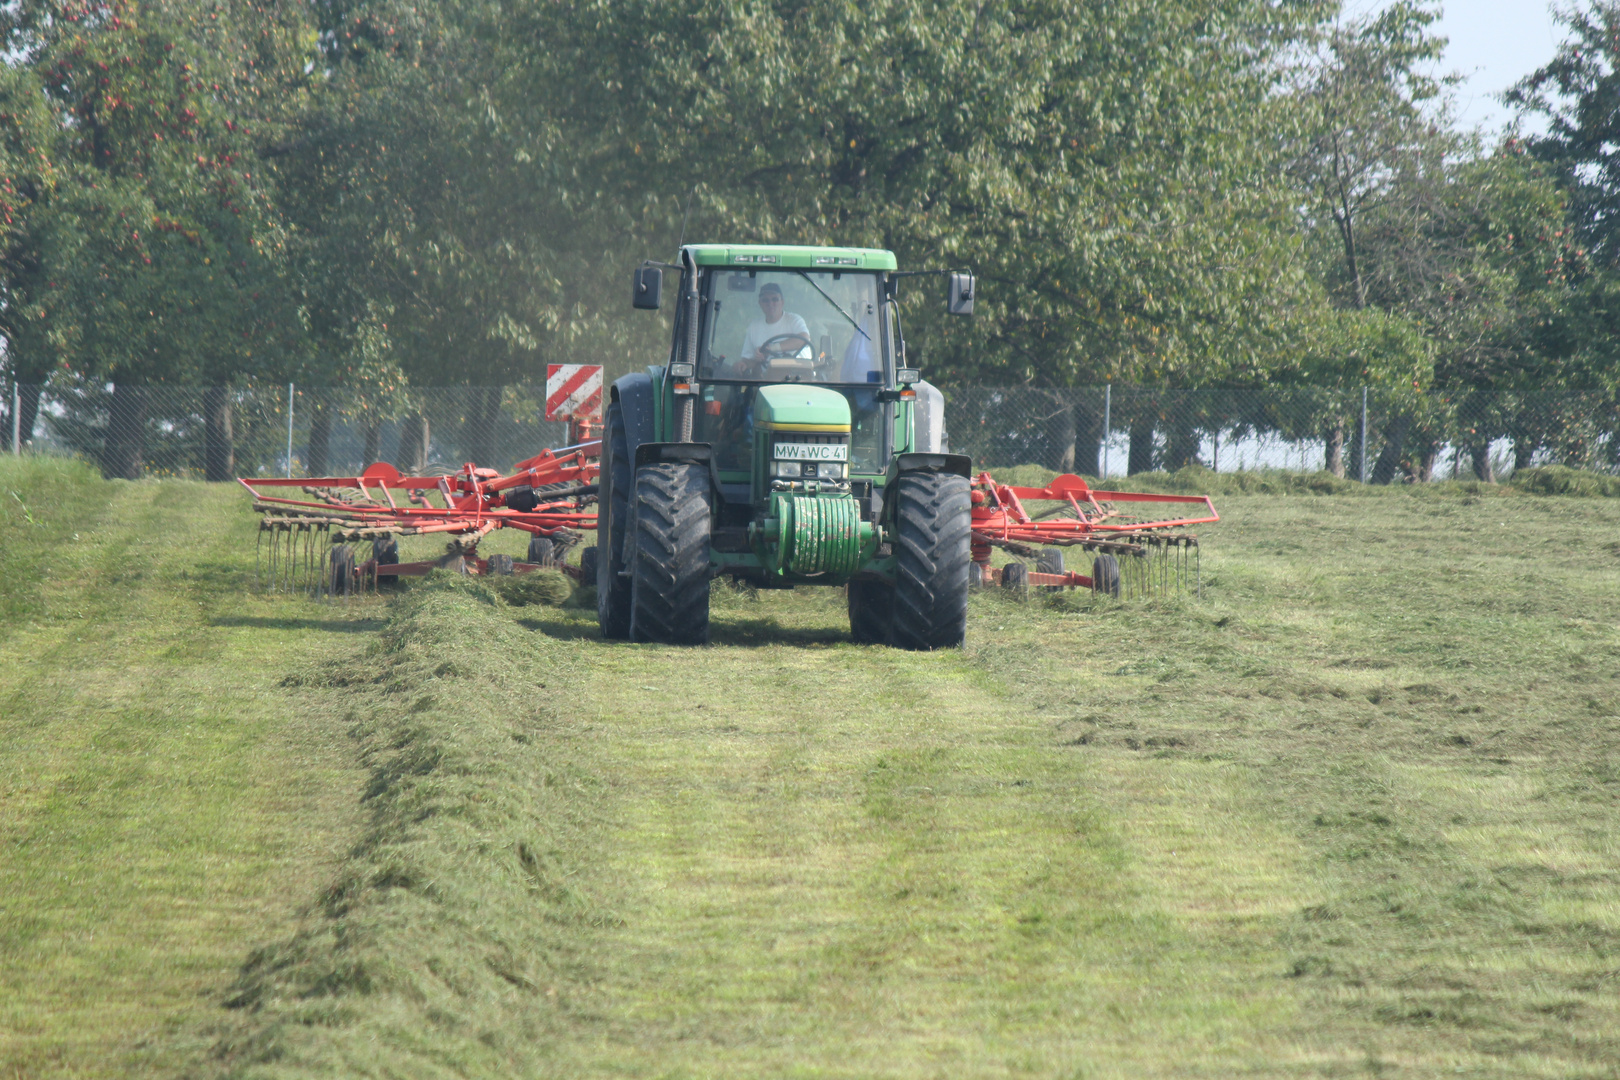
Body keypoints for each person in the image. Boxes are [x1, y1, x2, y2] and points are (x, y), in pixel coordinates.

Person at [738, 283, 811, 373]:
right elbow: (747, 360)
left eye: (775, 299)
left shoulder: (794, 320)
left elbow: (804, 339)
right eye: (765, 300)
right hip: (769, 382)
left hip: (801, 378)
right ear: (760, 303)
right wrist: (751, 361)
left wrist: (771, 349)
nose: (770, 303)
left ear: (782, 302)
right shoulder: (754, 327)